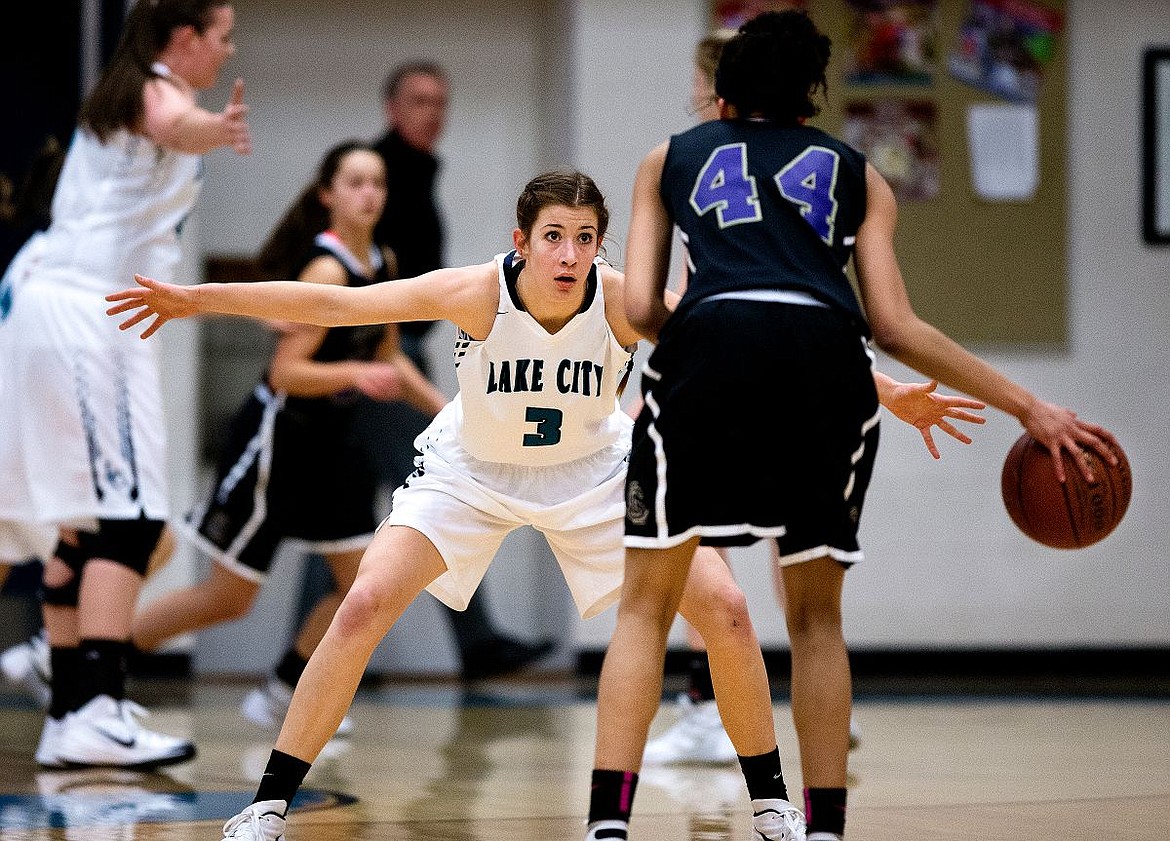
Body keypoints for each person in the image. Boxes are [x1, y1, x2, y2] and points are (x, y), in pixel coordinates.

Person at [109, 171, 981, 841]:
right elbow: (338, 303)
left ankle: (771, 807)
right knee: (364, 602)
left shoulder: (624, 303)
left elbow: (763, 346)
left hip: (596, 473)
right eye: (555, 237)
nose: (570, 255)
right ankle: (267, 805)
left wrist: (892, 389)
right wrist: (195, 300)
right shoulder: (477, 291)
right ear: (520, 240)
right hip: (473, 471)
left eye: (586, 238)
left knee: (728, 610)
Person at [588, 10, 1119, 841]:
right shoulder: (858, 172)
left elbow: (637, 307)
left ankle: (607, 827)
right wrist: (1029, 405)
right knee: (816, 620)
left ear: (721, 97)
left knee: (645, 610)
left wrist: (714, 338)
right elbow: (896, 327)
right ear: (813, 99)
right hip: (825, 360)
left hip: (708, 351)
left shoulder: (669, 158)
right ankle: (826, 829)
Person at [642, 27, 979, 767]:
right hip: (804, 369)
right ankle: (770, 730)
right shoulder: (826, 169)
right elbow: (820, 310)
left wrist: (687, 349)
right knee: (789, 575)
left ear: (717, 92)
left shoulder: (695, 163)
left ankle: (704, 707)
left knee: (698, 551)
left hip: (726, 366)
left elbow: (673, 301)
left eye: (707, 82)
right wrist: (883, 385)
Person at [0, 0, 251, 770]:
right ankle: (97, 703)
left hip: (50, 306)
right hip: (89, 316)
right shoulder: (152, 88)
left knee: (80, 524)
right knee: (130, 519)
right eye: (223, 36)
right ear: (185, 37)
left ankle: (74, 705)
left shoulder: (120, 91)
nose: (227, 49)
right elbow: (176, 122)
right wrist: (217, 129)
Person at [126, 140, 447, 735]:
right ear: (328, 194)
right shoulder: (325, 269)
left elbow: (390, 358)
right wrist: (354, 375)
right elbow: (287, 374)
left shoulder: (386, 261)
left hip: (334, 444)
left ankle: (283, 690)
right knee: (229, 597)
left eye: (377, 183)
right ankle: (86, 664)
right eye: (355, 182)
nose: (369, 193)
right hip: (283, 439)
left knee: (360, 583)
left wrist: (447, 411)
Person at [361, 59, 553, 679]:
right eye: (419, 101)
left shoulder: (416, 171)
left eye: (440, 101)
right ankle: (476, 644)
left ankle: (308, 656)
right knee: (438, 490)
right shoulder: (379, 172)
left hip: (395, 352)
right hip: (378, 356)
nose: (432, 113)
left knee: (348, 512)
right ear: (393, 108)